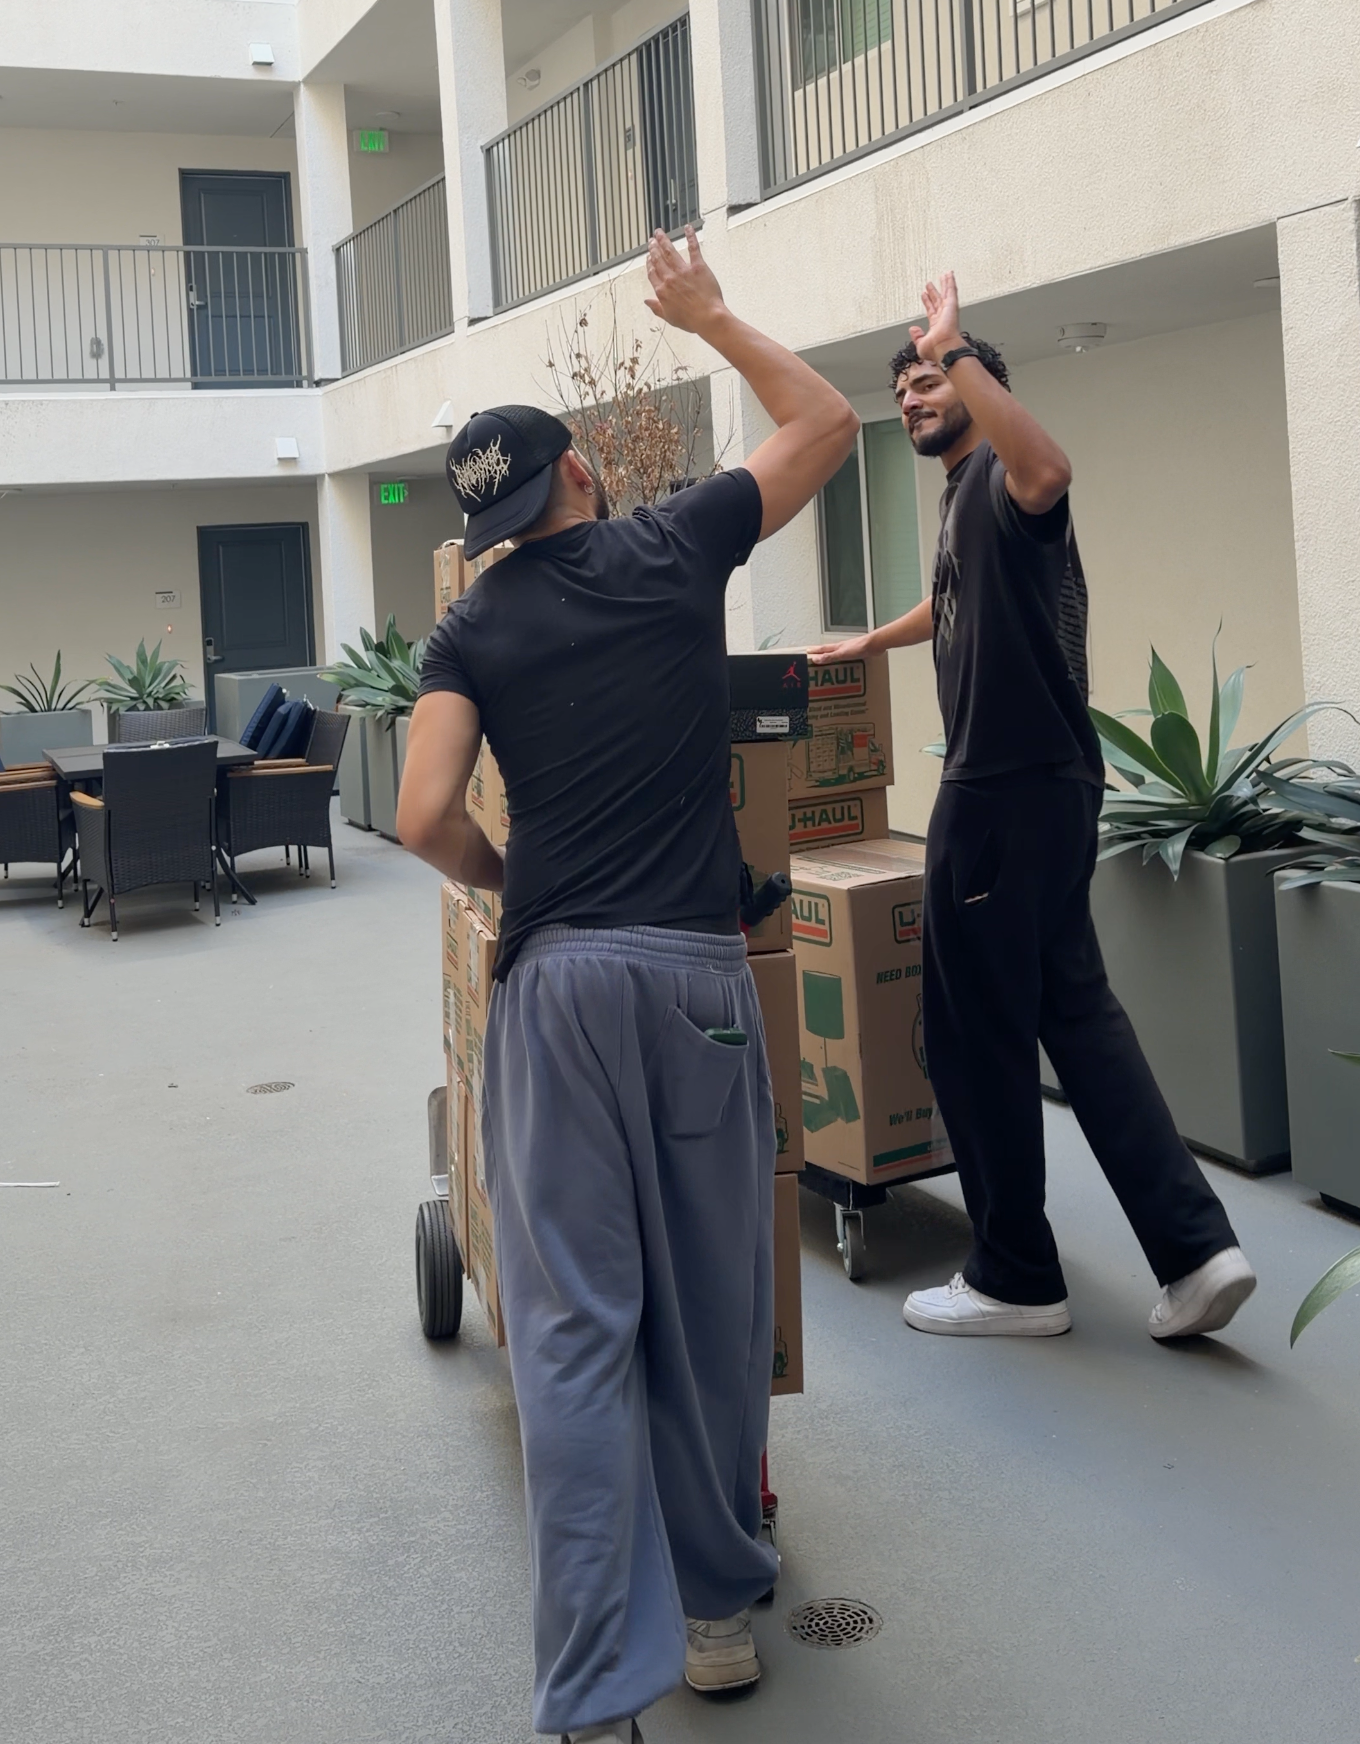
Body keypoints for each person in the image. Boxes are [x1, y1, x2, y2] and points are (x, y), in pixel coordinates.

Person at [396, 227, 858, 1744]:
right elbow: (824, 424)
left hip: (556, 991)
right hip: (695, 978)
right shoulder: (670, 548)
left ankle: (598, 1693)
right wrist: (709, 315)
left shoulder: (469, 626)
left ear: (489, 522)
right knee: (715, 1305)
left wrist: (506, 880)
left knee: (575, 1330)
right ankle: (718, 1619)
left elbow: (422, 814)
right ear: (583, 473)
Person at [813, 272, 1255, 1343]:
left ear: (980, 387)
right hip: (1053, 788)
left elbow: (1049, 467)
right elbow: (949, 601)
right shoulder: (967, 503)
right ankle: (1197, 1252)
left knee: (974, 1033)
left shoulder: (1008, 481)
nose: (913, 399)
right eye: (905, 390)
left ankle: (1015, 1276)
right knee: (1079, 1019)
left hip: (997, 794)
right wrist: (872, 641)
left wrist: (956, 348)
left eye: (930, 381)